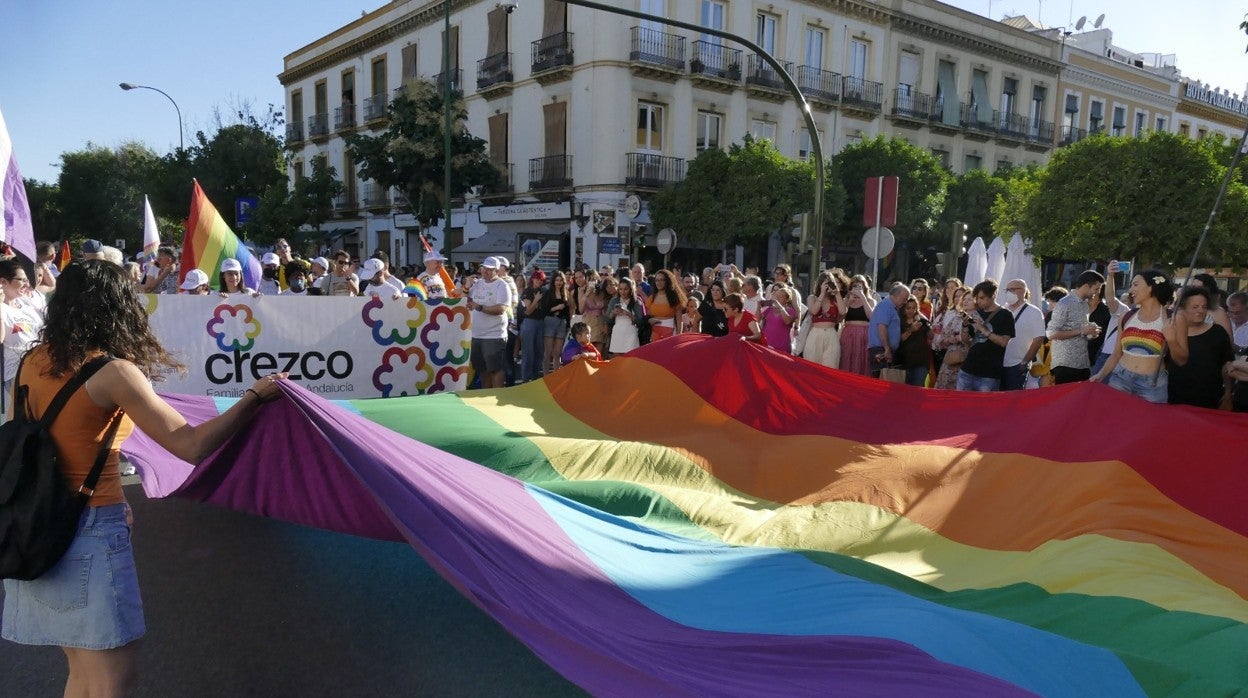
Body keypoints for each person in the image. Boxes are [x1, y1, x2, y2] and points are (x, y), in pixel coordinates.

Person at [0, 260, 286, 697]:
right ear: (116, 308)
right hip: (89, 528)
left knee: (81, 671)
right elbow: (191, 445)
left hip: (34, 527)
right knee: (113, 678)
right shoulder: (112, 372)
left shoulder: (29, 363)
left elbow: (25, 446)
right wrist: (254, 397)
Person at [1091, 270, 1176, 403]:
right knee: (1117, 421)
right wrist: (1100, 375)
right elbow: (1116, 354)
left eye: (1135, 285)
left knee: (1149, 423)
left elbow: (1182, 359)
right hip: (1120, 379)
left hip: (1152, 385)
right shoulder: (1126, 317)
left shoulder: (1172, 319)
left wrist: (1171, 340)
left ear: (1151, 287)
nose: (1131, 290)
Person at [1166, 285, 1235, 409]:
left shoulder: (1217, 332)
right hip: (1176, 398)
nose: (1200, 311)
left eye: (1204, 307)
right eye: (1195, 307)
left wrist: (1228, 394)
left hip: (1210, 399)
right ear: (1182, 308)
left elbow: (1227, 364)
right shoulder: (1171, 332)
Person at [1045, 270, 1104, 384]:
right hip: (1065, 364)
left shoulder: (1085, 303)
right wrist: (1082, 330)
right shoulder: (1064, 303)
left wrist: (1091, 332)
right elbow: (1051, 333)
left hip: (1082, 364)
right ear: (1086, 286)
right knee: (1066, 401)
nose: (1097, 293)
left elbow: (1081, 331)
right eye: (1096, 289)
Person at [956, 279, 1015, 392]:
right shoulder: (976, 313)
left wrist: (983, 329)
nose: (978, 301)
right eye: (977, 298)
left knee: (984, 408)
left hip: (989, 374)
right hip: (967, 370)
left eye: (982, 298)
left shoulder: (1006, 315)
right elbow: (965, 341)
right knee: (961, 406)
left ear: (993, 296)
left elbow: (1003, 342)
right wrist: (964, 325)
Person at [0, 259, 45, 407]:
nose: (27, 284)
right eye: (21, 280)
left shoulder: (26, 303)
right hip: (17, 374)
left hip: (41, 366)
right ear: (3, 282)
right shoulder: (2, 309)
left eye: (27, 279)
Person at [466, 257, 513, 389]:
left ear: (497, 271)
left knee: (495, 369)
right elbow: (464, 299)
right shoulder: (478, 283)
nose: (485, 271)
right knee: (482, 369)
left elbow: (501, 309)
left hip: (494, 335)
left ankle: (497, 395)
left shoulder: (502, 286)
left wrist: (480, 307)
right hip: (476, 334)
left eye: (489, 270)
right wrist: (466, 286)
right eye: (484, 268)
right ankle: (485, 395)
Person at [1000, 279, 1046, 391]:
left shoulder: (1034, 312)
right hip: (999, 363)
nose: (1009, 292)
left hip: (1017, 365)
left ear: (1023, 291)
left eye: (1013, 289)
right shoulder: (1002, 309)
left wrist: (1025, 362)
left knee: (1013, 399)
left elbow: (1038, 339)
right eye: (1007, 290)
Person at [802, 271, 847, 369]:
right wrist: (822, 293)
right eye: (826, 284)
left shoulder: (835, 299)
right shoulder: (812, 298)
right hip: (815, 334)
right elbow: (814, 311)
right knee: (811, 366)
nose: (828, 286)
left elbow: (843, 312)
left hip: (831, 334)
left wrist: (837, 293)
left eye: (830, 283)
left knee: (831, 366)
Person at [867, 284, 910, 378]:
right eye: (904, 299)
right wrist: (887, 349)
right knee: (881, 381)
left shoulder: (891, 307)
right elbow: (882, 327)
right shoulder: (886, 306)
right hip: (881, 350)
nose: (905, 302)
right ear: (895, 295)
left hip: (883, 349)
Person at [934, 288, 973, 390]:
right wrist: (950, 340)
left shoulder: (979, 320)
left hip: (967, 364)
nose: (965, 301)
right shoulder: (956, 318)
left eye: (969, 299)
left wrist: (962, 338)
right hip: (951, 361)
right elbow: (941, 339)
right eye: (964, 299)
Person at [840, 275, 876, 376]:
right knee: (847, 359)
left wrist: (863, 298)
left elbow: (871, 317)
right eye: (855, 286)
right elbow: (840, 318)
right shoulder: (846, 300)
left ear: (865, 288)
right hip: (848, 334)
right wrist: (849, 302)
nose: (857, 289)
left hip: (864, 335)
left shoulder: (870, 301)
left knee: (862, 361)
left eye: (860, 287)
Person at [895, 297, 932, 386]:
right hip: (904, 361)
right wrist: (911, 330)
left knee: (918, 387)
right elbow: (899, 339)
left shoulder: (921, 321)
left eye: (914, 308)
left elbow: (931, 336)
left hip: (921, 361)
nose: (911, 310)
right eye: (908, 308)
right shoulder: (898, 321)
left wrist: (930, 326)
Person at [606, 278, 646, 357]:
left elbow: (640, 321)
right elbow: (607, 319)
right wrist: (613, 313)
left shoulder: (636, 301)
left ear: (630, 289)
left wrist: (628, 314)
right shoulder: (614, 300)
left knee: (630, 357)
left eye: (626, 289)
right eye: (620, 289)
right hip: (617, 331)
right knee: (617, 358)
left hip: (630, 332)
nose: (623, 292)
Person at [542, 271, 572, 375]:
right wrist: (556, 308)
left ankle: (556, 374)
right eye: (557, 280)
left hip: (562, 323)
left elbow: (568, 310)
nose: (559, 282)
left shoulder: (566, 293)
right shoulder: (548, 292)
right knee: (548, 352)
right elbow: (544, 310)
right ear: (553, 281)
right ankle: (546, 375)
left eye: (561, 280)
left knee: (558, 352)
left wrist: (568, 324)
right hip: (550, 321)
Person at [646, 269, 686, 343]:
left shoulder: (674, 297)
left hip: (669, 331)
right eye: (657, 280)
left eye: (662, 280)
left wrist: (678, 336)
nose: (659, 282)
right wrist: (649, 320)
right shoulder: (652, 297)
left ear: (667, 281)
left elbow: (679, 319)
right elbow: (647, 315)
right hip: (654, 332)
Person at [760, 284, 797, 354]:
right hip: (767, 345)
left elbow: (787, 321)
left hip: (782, 348)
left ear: (787, 299)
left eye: (781, 297)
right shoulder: (769, 309)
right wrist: (758, 307)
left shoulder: (791, 311)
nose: (777, 299)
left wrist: (780, 306)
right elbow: (757, 319)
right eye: (777, 296)